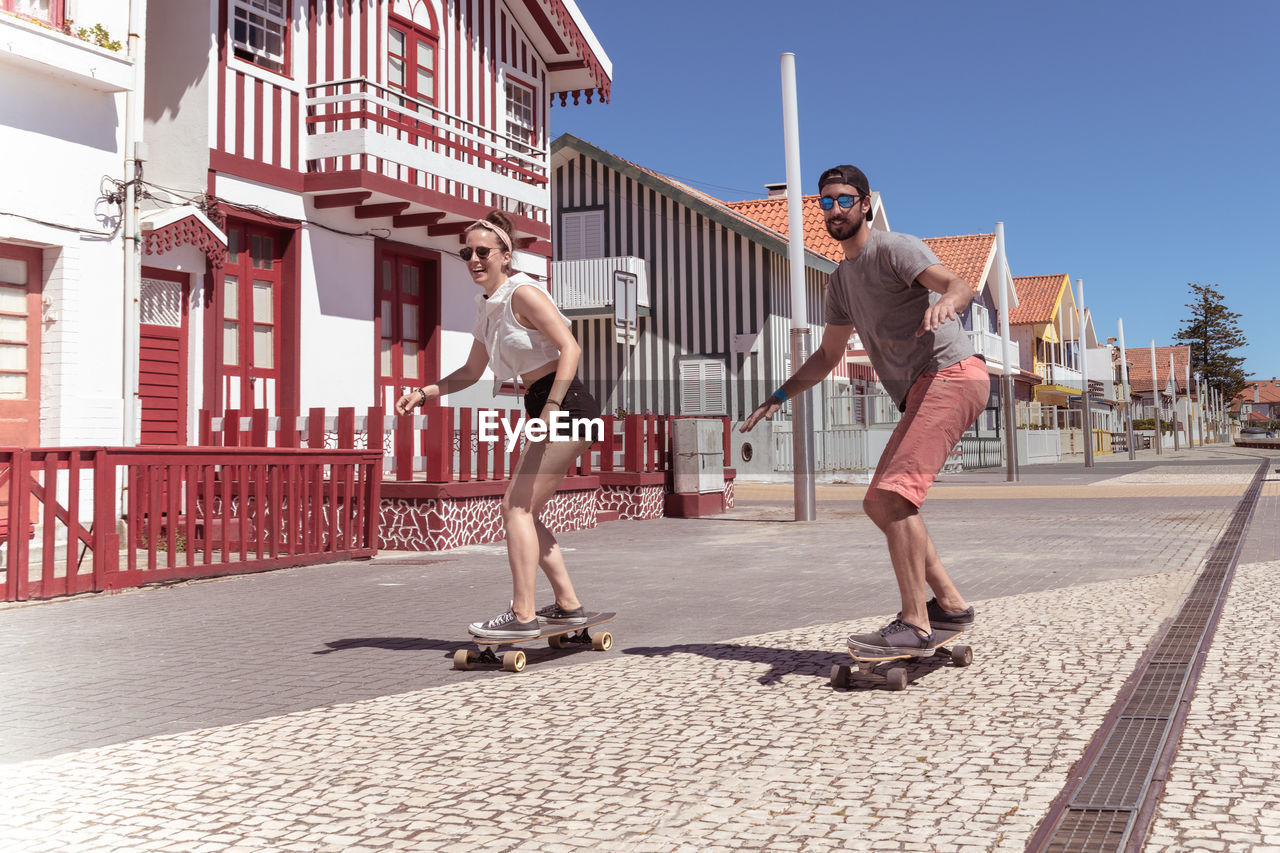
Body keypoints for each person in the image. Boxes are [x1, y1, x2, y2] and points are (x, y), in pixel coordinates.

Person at [740, 165, 989, 655]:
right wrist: (776, 398)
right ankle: (949, 605)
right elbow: (828, 357)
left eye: (843, 200)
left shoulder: (895, 248)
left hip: (951, 374)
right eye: (825, 202)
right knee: (884, 502)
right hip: (925, 387)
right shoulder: (840, 283)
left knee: (892, 498)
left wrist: (947, 304)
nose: (834, 210)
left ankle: (916, 623)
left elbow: (957, 284)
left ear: (865, 203)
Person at [395, 210, 602, 639]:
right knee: (524, 510)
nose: (473, 258)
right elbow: (472, 371)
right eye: (466, 252)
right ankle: (568, 605)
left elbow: (571, 347)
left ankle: (523, 614)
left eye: (482, 251)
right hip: (543, 401)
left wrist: (551, 409)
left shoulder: (522, 293)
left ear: (505, 256)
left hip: (563, 402)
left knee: (516, 508)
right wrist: (425, 392)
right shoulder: (487, 305)